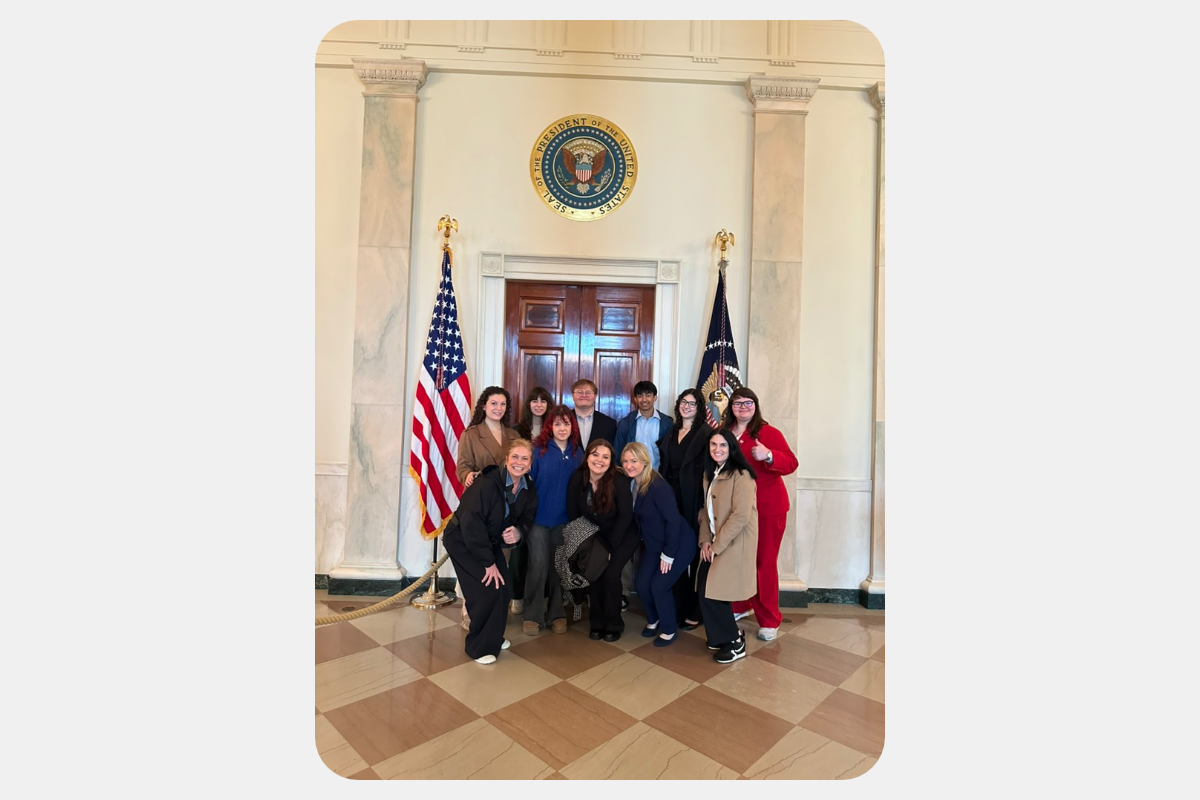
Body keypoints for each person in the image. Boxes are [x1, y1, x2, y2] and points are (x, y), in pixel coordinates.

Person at [441, 439, 538, 664]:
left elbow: (527, 518)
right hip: (463, 540)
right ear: (506, 460)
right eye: (515, 457)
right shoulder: (486, 483)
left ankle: (493, 636)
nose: (519, 462)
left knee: (503, 589)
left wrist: (518, 532)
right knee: (488, 589)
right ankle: (479, 647)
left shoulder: (528, 488)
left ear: (530, 464)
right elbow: (471, 523)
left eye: (525, 458)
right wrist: (487, 562)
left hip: (487, 541)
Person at [722, 387, 798, 641]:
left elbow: (790, 462)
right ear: (730, 407)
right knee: (738, 559)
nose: (742, 407)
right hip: (735, 511)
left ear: (755, 405)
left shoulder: (768, 432)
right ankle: (741, 605)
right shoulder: (725, 433)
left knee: (764, 563)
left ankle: (768, 619)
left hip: (767, 509)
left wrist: (769, 456)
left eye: (748, 403)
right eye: (737, 403)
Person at [455, 386, 524, 620]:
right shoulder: (471, 434)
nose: (498, 408)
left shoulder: (514, 436)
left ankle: (495, 610)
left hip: (506, 506)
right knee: (477, 556)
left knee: (500, 558)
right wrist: (468, 476)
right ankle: (469, 609)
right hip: (480, 505)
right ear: (484, 405)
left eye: (503, 404)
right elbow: (462, 466)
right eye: (494, 403)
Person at [622, 442, 695, 647]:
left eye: (634, 461)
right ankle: (653, 620)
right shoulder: (634, 483)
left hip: (677, 544)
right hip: (655, 545)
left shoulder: (658, 486)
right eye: (626, 461)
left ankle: (670, 629)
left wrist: (669, 554)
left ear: (645, 462)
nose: (629, 465)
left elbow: (673, 521)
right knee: (642, 584)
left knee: (658, 586)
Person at [697, 428, 759, 664]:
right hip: (714, 540)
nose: (717, 449)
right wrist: (705, 540)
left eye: (723, 445)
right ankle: (720, 636)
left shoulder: (742, 475)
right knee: (705, 588)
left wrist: (716, 545)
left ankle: (734, 642)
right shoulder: (710, 473)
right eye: (713, 445)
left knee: (714, 593)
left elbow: (741, 515)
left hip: (734, 542)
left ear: (731, 447)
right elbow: (705, 511)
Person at [567, 439, 636, 642]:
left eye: (605, 457)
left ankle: (614, 624)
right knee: (594, 574)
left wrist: (609, 547)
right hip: (593, 535)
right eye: (595, 454)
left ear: (611, 461)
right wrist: (589, 546)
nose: (600, 460)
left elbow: (625, 517)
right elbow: (574, 515)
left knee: (611, 575)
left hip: (622, 535)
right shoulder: (577, 478)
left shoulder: (619, 481)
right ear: (587, 456)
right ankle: (596, 622)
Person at [524, 405, 583, 635]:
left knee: (559, 568)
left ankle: (557, 612)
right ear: (550, 426)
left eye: (566, 423)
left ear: (572, 427)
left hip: (564, 521)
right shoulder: (538, 450)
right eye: (557, 423)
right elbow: (528, 486)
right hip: (538, 521)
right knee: (537, 567)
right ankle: (533, 615)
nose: (562, 428)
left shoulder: (578, 453)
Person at [657, 388, 713, 631]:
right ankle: (679, 607)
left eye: (692, 403)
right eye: (683, 402)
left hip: (693, 502)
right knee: (678, 554)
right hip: (672, 502)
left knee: (694, 558)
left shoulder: (706, 433)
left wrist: (703, 507)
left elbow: (710, 474)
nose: (687, 406)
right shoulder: (671, 431)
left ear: (700, 408)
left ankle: (696, 610)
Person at [613, 380, 674, 471]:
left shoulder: (667, 423)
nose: (644, 399)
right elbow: (617, 454)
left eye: (648, 395)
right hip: (631, 478)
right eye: (640, 396)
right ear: (635, 399)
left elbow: (671, 454)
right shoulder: (626, 423)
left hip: (658, 477)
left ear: (655, 397)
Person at [570, 378, 617, 449]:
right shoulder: (562, 420)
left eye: (588, 392)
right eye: (579, 392)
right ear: (572, 396)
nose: (584, 395)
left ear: (595, 396)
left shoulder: (609, 424)